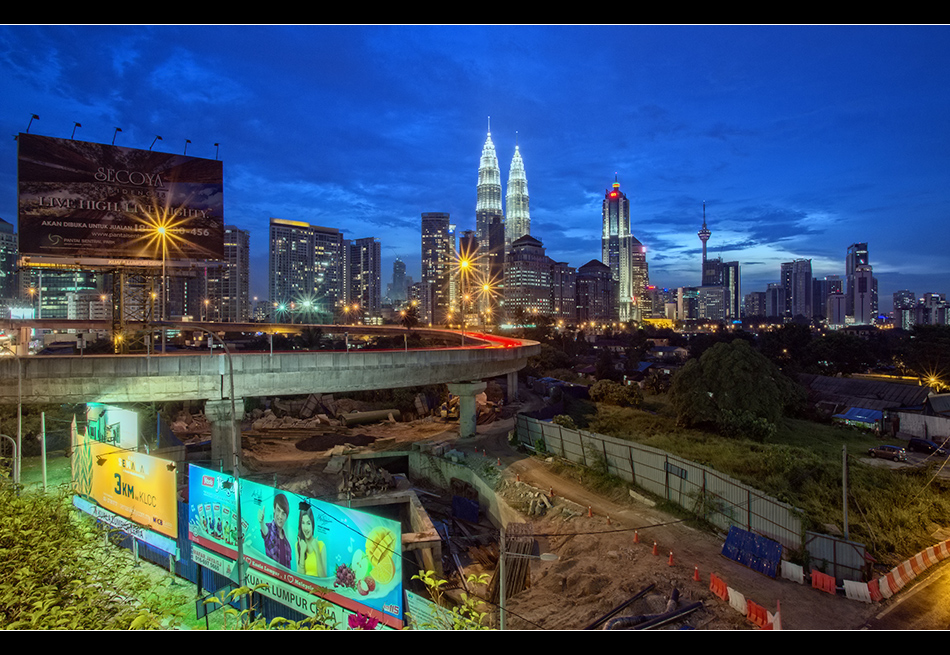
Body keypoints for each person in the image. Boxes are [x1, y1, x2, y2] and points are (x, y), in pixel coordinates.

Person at [259, 493, 292, 568]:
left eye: (283, 513)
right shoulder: (269, 529)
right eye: (278, 510)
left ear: (286, 517)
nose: (280, 516)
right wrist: (261, 522)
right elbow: (266, 532)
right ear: (274, 510)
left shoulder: (288, 546)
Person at [296, 503, 327, 577]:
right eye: (303, 523)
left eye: (308, 523)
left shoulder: (321, 545)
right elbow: (300, 578)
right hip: (304, 587)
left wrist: (316, 550)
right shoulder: (298, 545)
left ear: (312, 525)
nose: (305, 528)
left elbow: (323, 578)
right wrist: (302, 552)